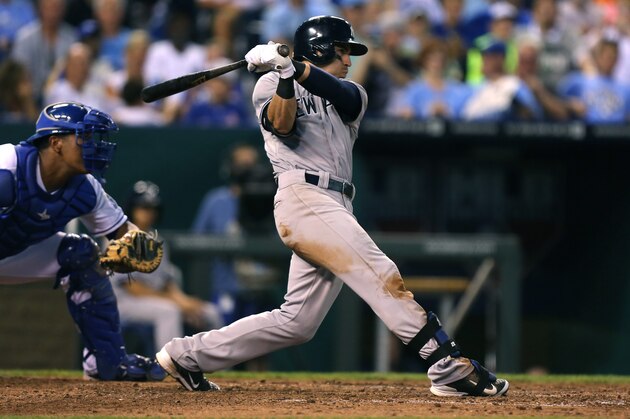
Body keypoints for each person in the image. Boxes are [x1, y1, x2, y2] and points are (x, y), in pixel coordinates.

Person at [155, 16, 509, 397]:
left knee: (297, 322)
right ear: (321, 47)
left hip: (335, 202)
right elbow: (283, 125)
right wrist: (285, 75)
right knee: (380, 272)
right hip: (303, 197)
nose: (349, 60)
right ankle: (446, 364)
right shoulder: (269, 85)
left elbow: (344, 97)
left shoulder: (352, 91)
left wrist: (294, 66)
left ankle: (186, 356)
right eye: (343, 50)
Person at [0, 101, 165, 381]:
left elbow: (124, 232)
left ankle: (106, 364)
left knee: (81, 254)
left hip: (13, 254)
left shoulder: (86, 187)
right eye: (84, 137)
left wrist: (140, 245)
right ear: (56, 142)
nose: (92, 145)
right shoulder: (7, 165)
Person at [111, 180, 223, 353]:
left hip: (155, 300)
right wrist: (175, 302)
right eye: (144, 207)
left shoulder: (157, 240)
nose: (149, 213)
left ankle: (218, 369)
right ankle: (170, 367)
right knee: (168, 311)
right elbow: (134, 288)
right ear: (131, 208)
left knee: (210, 312)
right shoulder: (119, 239)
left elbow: (167, 283)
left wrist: (185, 301)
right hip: (124, 302)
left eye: (153, 208)